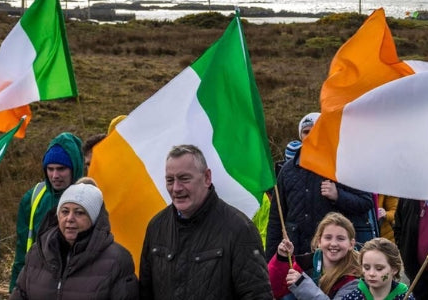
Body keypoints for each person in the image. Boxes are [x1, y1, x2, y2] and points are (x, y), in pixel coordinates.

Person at [139, 145, 271, 300]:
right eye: (170, 180)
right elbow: (145, 292)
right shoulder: (157, 226)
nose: (176, 188)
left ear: (207, 178)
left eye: (184, 179)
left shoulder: (239, 229)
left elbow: (257, 294)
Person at [267, 113, 375, 257]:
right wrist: (271, 260)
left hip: (334, 256)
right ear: (300, 136)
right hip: (296, 256)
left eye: (316, 130)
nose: (311, 135)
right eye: (306, 131)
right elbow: (276, 218)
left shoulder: (343, 166)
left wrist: (338, 196)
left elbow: (366, 202)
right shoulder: (287, 171)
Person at [11, 182, 138, 299]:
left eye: (79, 213)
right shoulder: (37, 252)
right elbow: (20, 294)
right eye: (65, 211)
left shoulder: (118, 260)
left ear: (94, 219)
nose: (70, 218)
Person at [10, 132, 84, 291]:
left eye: (61, 169)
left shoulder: (90, 198)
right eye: (50, 169)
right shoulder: (33, 198)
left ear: (74, 168)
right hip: (38, 284)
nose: (55, 175)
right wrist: (15, 290)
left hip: (77, 286)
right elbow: (22, 250)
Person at [269, 212, 361, 299]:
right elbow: (273, 290)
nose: (333, 243)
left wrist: (302, 285)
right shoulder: (305, 264)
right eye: (328, 237)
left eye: (340, 239)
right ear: (319, 241)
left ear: (351, 244)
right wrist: (282, 259)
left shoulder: (356, 278)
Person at [342, 238, 413, 300]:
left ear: (394, 269)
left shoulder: (405, 297)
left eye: (379, 268)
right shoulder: (352, 297)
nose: (371, 273)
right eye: (366, 268)